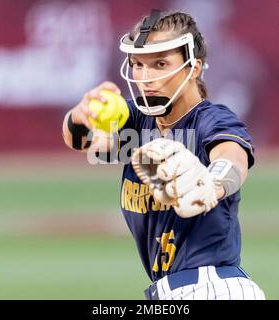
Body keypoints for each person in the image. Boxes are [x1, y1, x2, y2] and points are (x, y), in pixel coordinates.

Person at [62, 9, 265, 300]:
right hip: (173, 292)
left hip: (213, 288)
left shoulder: (212, 119)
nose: (146, 77)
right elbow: (85, 143)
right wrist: (78, 117)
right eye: (138, 64)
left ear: (193, 68)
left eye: (160, 64)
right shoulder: (137, 119)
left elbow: (233, 157)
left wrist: (212, 183)